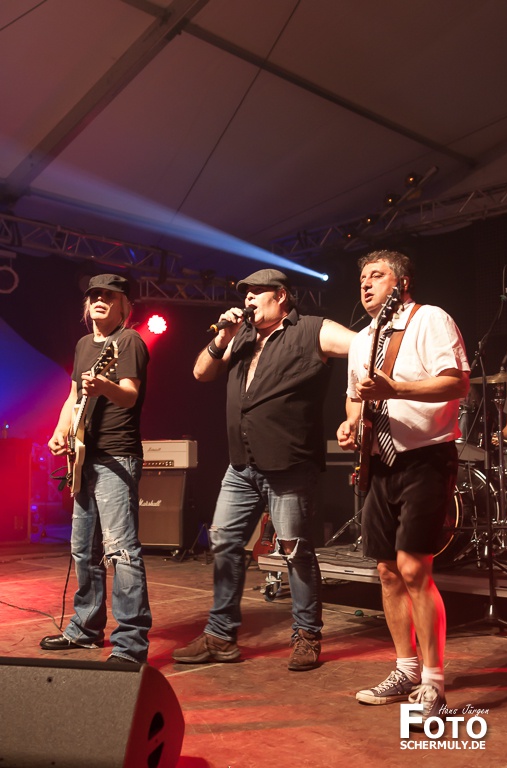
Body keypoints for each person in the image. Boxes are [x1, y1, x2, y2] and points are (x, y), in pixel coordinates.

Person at [172, 268, 355, 671]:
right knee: (224, 543)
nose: (249, 299)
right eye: (246, 294)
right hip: (242, 464)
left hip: (289, 463)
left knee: (295, 551)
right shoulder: (240, 336)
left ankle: (306, 635)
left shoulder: (312, 329)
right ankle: (220, 636)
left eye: (257, 292)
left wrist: (354, 410)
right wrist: (222, 338)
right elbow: (201, 372)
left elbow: (364, 347)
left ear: (281, 296)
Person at [337, 250, 469, 725]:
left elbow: (456, 384)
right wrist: (351, 424)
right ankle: (405, 669)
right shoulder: (362, 340)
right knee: (387, 571)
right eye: (362, 277)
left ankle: (433, 680)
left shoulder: (429, 319)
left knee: (414, 567)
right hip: (380, 462)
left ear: (403, 283)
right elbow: (355, 397)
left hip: (426, 457)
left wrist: (397, 390)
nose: (366, 283)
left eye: (377, 275)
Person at [40, 274, 152, 664]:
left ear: (124, 305)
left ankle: (131, 645)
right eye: (94, 295)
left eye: (109, 295)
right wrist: (60, 431)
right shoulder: (84, 344)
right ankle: (85, 630)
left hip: (117, 456)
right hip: (84, 456)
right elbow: (73, 396)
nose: (100, 300)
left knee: (121, 551)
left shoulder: (130, 341)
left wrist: (104, 386)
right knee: (83, 550)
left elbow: (130, 395)